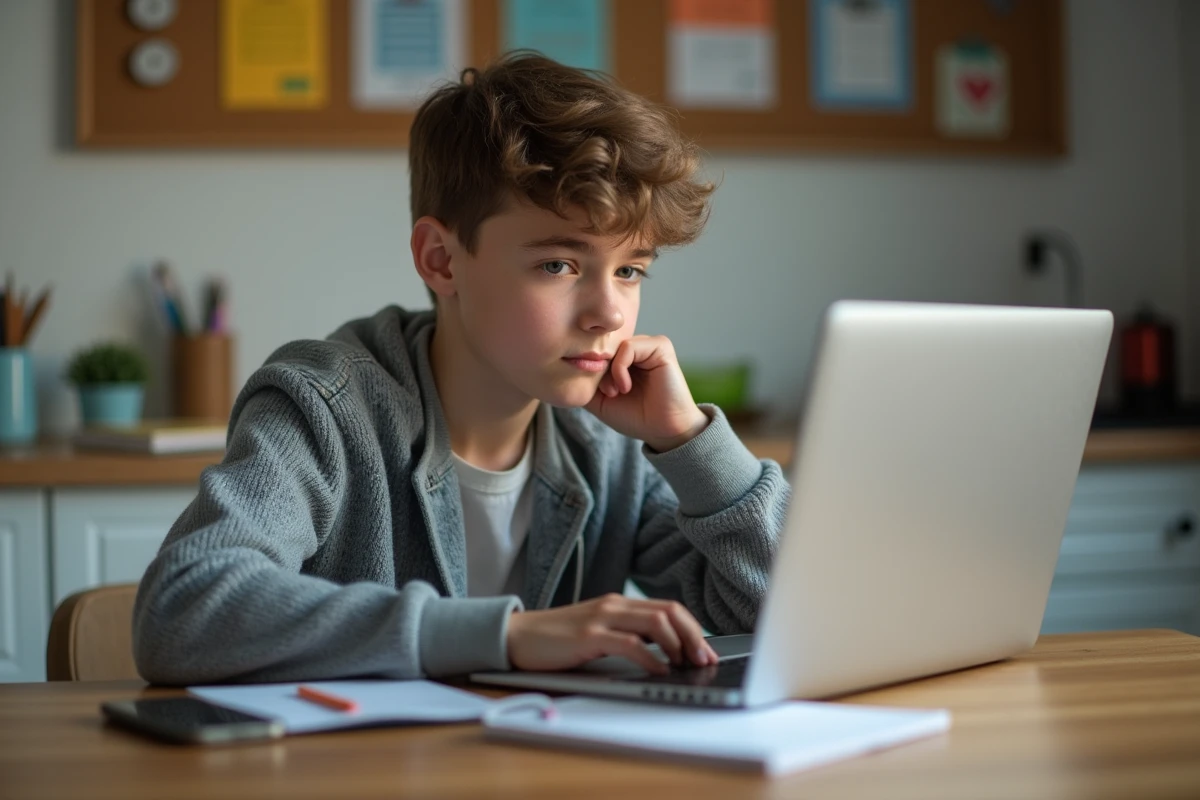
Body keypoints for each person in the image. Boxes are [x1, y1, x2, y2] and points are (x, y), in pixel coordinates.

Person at [132, 53, 790, 685]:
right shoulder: (324, 405)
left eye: (629, 270)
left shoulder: (609, 437)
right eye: (559, 265)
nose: (608, 314)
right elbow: (184, 609)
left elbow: (784, 620)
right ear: (441, 260)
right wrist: (504, 638)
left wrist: (693, 445)